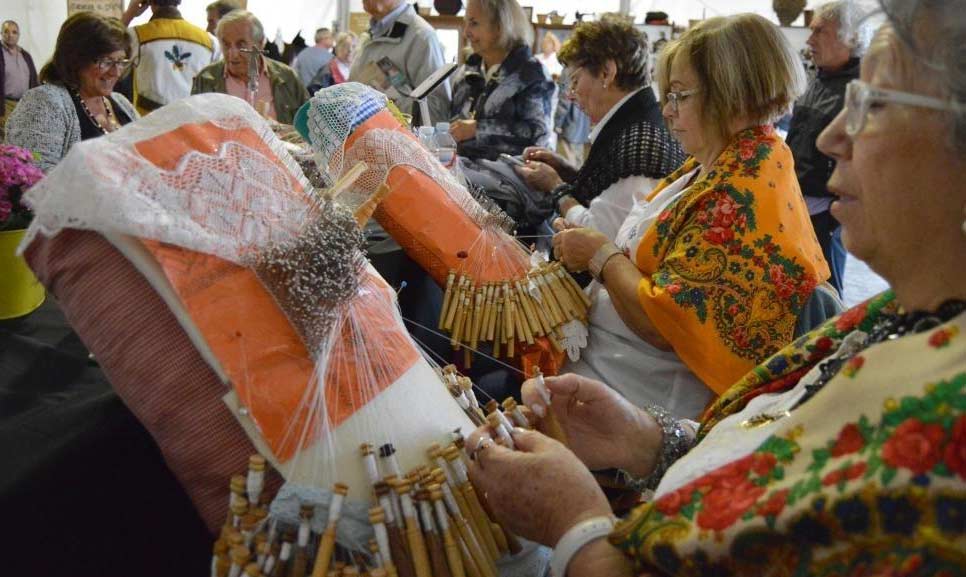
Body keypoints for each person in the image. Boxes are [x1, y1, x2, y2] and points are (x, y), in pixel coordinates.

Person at [465, 2, 966, 575]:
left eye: (872, 104)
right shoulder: (897, 316)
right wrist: (653, 442)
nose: (828, 138)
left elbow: (674, 322)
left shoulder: (942, 443)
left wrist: (576, 525)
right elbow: (770, 439)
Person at [547, 14, 830, 419]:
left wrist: (600, 255)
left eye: (680, 96)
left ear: (730, 96)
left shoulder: (742, 191)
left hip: (646, 397)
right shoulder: (715, 164)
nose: (666, 111)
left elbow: (665, 321)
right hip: (616, 365)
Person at [515, 18, 685, 241]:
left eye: (575, 81)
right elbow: (611, 193)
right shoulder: (637, 124)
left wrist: (556, 188)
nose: (570, 94)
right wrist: (570, 172)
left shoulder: (639, 148)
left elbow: (601, 239)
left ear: (606, 73)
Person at [787, 1, 869, 295]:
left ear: (851, 37)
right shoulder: (819, 77)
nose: (809, 41)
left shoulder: (862, 89)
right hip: (798, 203)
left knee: (826, 294)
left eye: (819, 31)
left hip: (828, 214)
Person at [4, 13, 137, 173]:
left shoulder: (120, 101)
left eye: (120, 62)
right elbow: (34, 178)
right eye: (106, 62)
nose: (116, 72)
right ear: (75, 60)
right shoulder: (44, 102)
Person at [448, 0, 554, 160]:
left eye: (474, 23)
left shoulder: (532, 74)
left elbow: (538, 136)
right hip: (458, 173)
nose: (466, 32)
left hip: (510, 180)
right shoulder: (467, 71)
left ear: (501, 27)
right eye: (466, 23)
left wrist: (479, 129)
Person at [191, 10, 308, 124]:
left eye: (241, 44)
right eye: (226, 44)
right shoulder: (206, 79)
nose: (232, 54)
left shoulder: (287, 77)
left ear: (261, 43)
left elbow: (310, 124)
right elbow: (194, 129)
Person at [350, 0, 450, 126]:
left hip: (397, 141)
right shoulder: (372, 33)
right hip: (364, 138)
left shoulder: (422, 36)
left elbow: (435, 112)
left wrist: (384, 103)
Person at [121, 0, 220, 116]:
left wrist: (129, 14)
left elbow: (107, 51)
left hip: (149, 122)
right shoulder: (210, 41)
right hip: (192, 122)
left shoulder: (137, 36)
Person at [1, 20, 39, 141]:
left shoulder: (25, 55)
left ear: (19, 35)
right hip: (5, 105)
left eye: (14, 32)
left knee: (24, 139)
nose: (10, 35)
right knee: (7, 140)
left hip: (25, 104)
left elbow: (34, 81)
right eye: (6, 31)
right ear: (1, 33)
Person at [552, 67, 591, 168]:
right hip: (582, 120)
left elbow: (565, 99)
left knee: (569, 162)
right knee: (579, 160)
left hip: (570, 122)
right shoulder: (587, 67)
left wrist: (557, 123)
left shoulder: (569, 70)